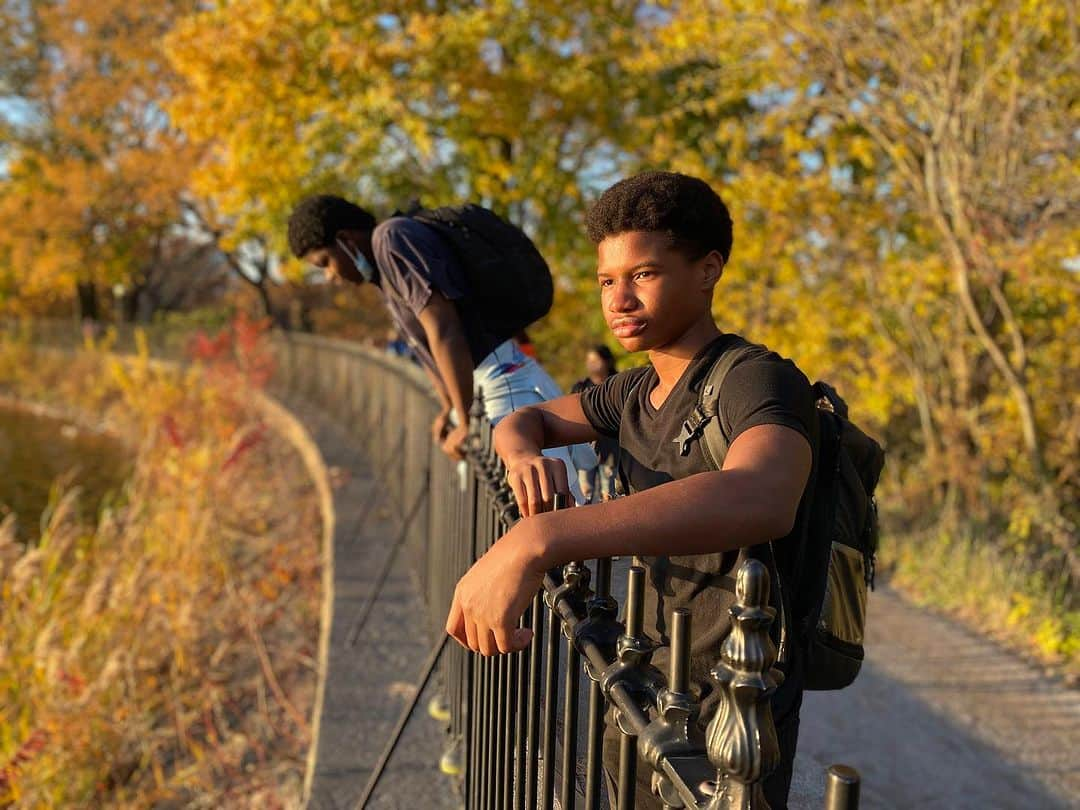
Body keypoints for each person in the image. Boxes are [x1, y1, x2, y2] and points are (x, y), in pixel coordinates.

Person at [444, 171, 817, 808]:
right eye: (605, 281)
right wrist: (522, 455)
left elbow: (763, 494)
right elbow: (518, 420)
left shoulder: (755, 381)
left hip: (733, 711)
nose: (618, 300)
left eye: (642, 274)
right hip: (647, 680)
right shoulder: (636, 390)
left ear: (707, 270)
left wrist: (539, 538)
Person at [287, 195, 592, 502]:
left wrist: (466, 419)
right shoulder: (382, 267)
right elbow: (424, 345)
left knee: (552, 508)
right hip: (490, 384)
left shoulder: (391, 239)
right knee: (536, 507)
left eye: (325, 262)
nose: (330, 276)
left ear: (345, 239)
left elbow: (444, 329)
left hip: (500, 386)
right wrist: (449, 408)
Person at [570, 345, 619, 502]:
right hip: (584, 446)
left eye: (596, 360)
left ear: (607, 361)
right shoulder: (580, 387)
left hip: (611, 447)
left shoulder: (618, 384)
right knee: (585, 493)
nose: (592, 364)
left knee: (608, 492)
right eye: (589, 360)